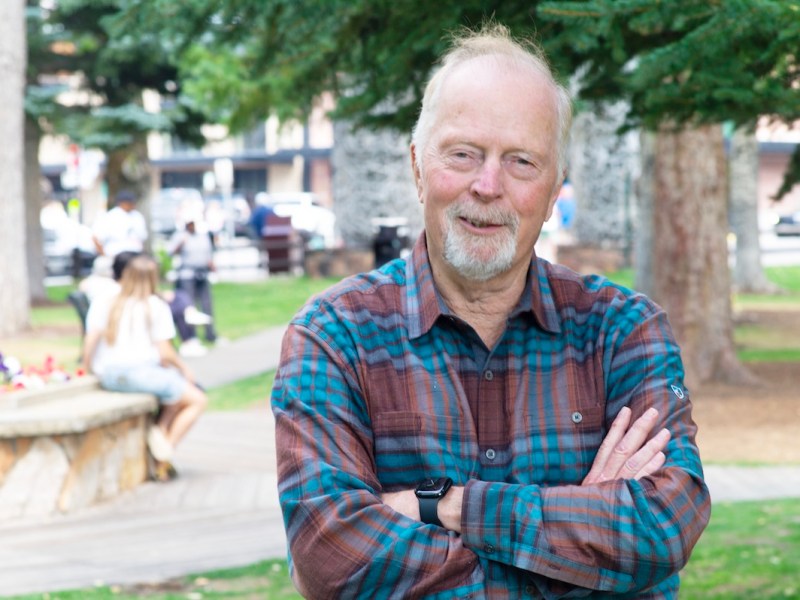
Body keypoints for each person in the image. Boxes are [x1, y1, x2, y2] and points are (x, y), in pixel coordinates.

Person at [271, 24, 710, 599]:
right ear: (417, 167)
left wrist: (446, 505)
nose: (487, 185)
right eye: (463, 154)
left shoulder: (623, 331)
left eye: (522, 162)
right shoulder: (334, 336)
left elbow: (662, 529)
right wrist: (584, 554)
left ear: (554, 191)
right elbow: (331, 558)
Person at [82, 254, 207, 481]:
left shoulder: (105, 301)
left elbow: (91, 339)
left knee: (173, 394)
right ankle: (164, 451)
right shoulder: (154, 305)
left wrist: (85, 367)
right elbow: (165, 353)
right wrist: (184, 369)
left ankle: (159, 437)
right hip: (141, 374)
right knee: (197, 398)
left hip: (109, 375)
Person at [168, 216, 218, 345]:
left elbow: (208, 253)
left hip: (202, 273)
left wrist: (211, 264)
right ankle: (191, 337)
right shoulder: (180, 236)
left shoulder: (202, 236)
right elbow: (170, 252)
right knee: (189, 306)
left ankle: (210, 334)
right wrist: (180, 244)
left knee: (207, 304)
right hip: (187, 274)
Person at [91, 189, 148, 260]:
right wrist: (104, 255)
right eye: (129, 202)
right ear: (122, 203)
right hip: (115, 256)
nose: (132, 205)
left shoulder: (137, 216)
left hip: (135, 256)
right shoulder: (110, 216)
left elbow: (142, 238)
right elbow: (95, 237)